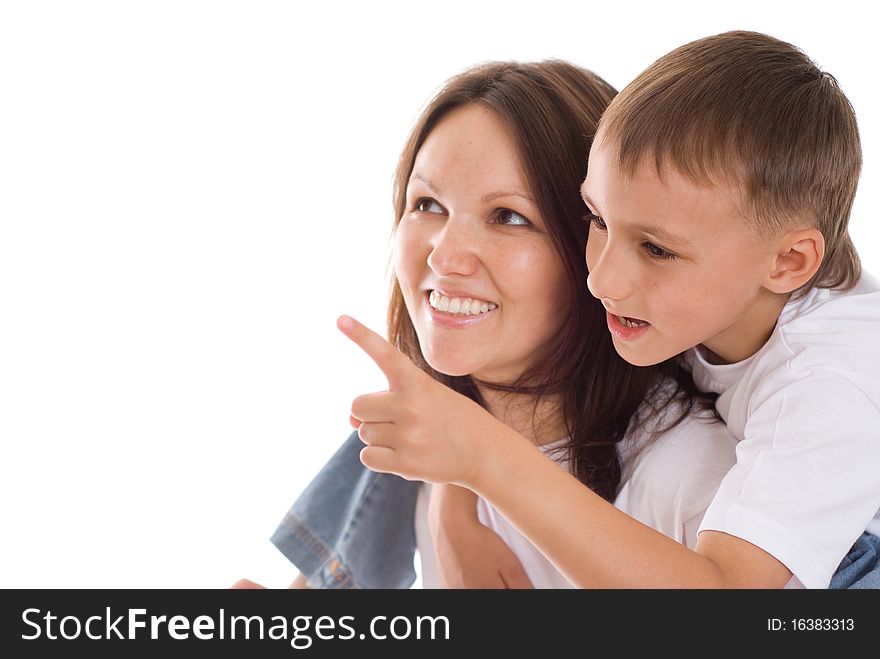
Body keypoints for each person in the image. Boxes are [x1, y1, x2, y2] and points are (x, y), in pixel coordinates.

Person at [338, 31, 880, 589]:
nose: (602, 278)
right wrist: (454, 501)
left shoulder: (823, 387)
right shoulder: (709, 291)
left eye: (656, 248)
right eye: (597, 220)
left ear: (790, 262)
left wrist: (484, 460)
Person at [234, 60, 738, 589]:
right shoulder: (417, 442)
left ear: (595, 246)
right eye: (427, 204)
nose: (445, 256)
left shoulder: (693, 477)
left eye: (509, 217)